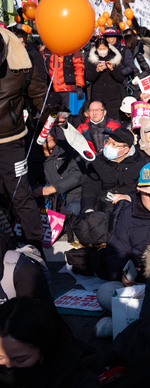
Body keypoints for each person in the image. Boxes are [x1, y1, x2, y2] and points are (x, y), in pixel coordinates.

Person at [0, 28, 46, 251]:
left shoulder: (20, 62)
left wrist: (52, 112)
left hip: (11, 141)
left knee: (21, 196)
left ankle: (34, 249)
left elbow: (39, 93)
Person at [0, 297, 102, 388]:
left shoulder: (79, 384)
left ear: (45, 349)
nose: (8, 366)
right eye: (0, 358)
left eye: (20, 360)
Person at [81, 127, 146, 214]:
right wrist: (88, 209)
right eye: (108, 142)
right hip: (103, 206)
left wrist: (129, 197)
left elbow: (145, 190)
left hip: (130, 207)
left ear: (126, 150)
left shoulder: (141, 165)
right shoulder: (96, 162)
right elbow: (89, 187)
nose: (108, 146)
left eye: (114, 145)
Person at [28, 126, 85, 215]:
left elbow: (78, 175)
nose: (49, 135)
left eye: (51, 131)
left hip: (73, 197)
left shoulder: (68, 147)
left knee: (71, 215)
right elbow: (30, 185)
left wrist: (52, 188)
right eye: (44, 133)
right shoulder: (32, 159)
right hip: (48, 202)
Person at [85, 37, 125, 122]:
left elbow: (120, 78)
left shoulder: (114, 59)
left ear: (108, 48)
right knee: (99, 121)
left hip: (113, 97)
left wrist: (112, 70)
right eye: (100, 49)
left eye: (104, 48)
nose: (102, 51)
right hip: (98, 96)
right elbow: (89, 78)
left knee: (114, 122)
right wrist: (97, 71)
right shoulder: (92, 60)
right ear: (96, 49)